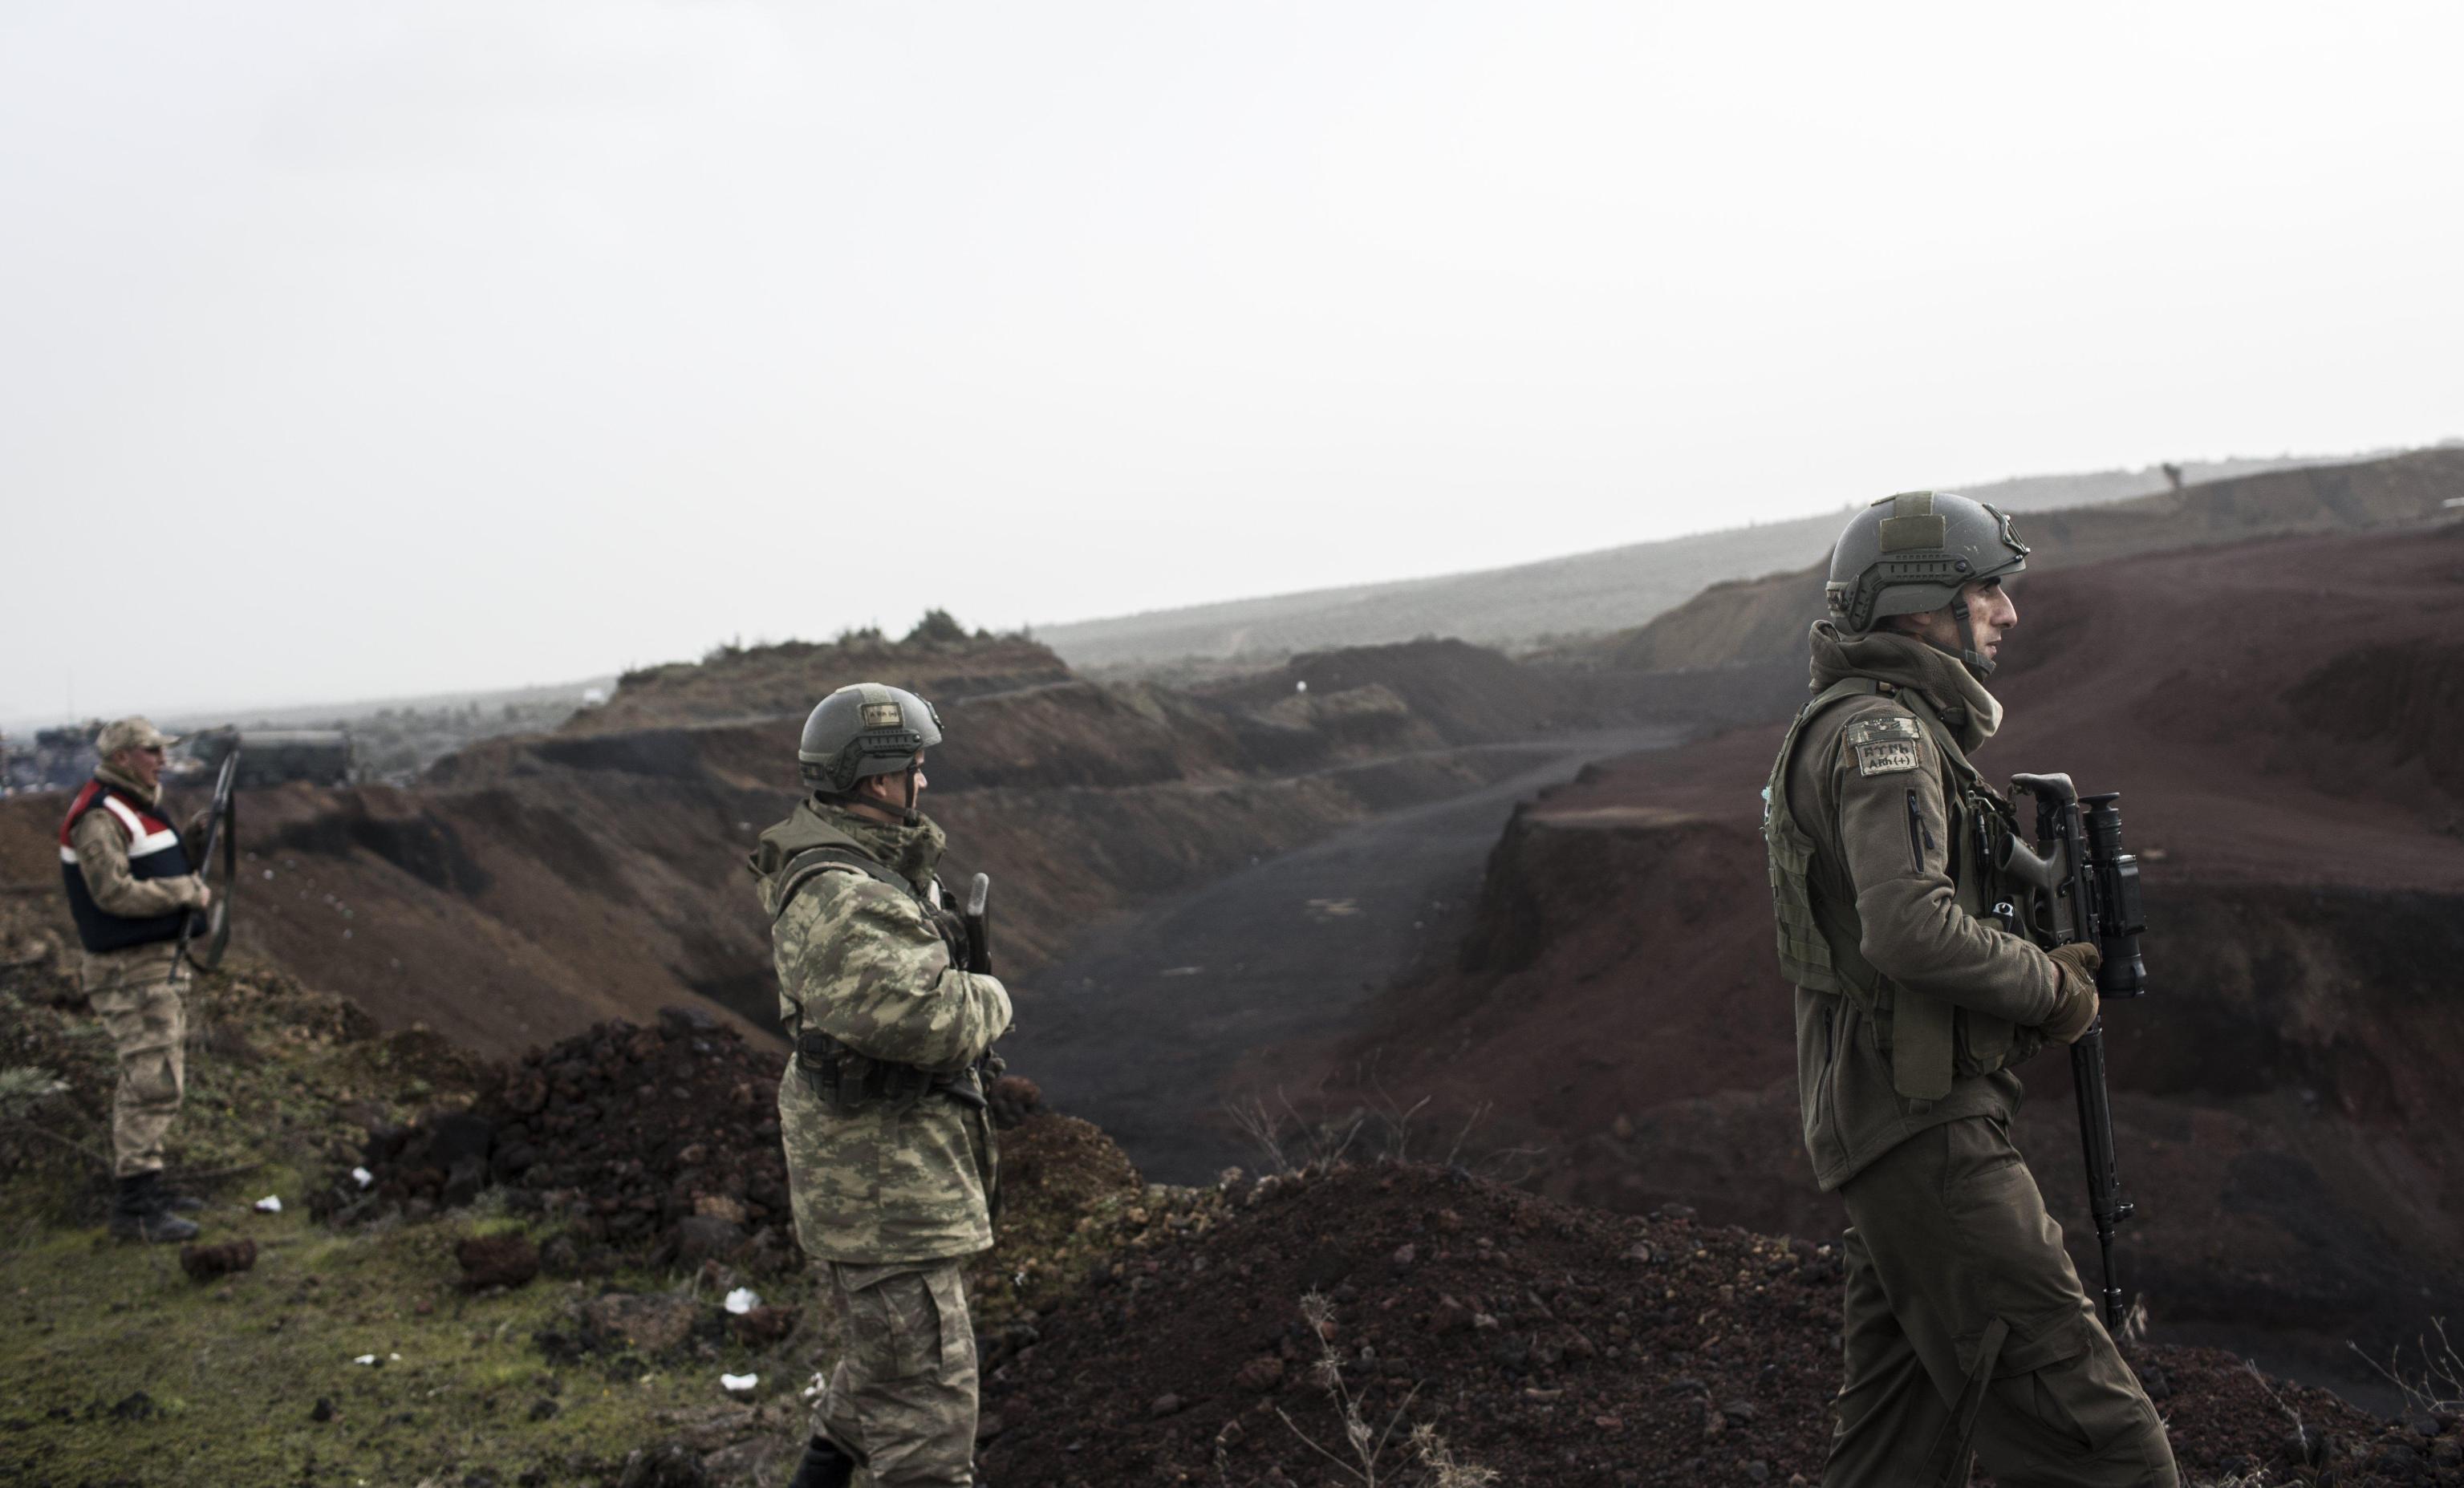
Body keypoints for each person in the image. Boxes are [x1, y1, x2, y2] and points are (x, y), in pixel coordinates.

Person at [1763, 493, 2177, 1486]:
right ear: (1918, 606)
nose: (2006, 611)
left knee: (1898, 1453)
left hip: (1894, 1127)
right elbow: (1906, 928)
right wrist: (2052, 989)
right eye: (1984, 588)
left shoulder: (1883, 726)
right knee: (2110, 1450)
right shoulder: (1882, 739)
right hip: (1922, 1134)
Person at [748, 683, 1012, 1488]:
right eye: (914, 767)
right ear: (873, 779)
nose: (923, 782)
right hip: (883, 1195)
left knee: (878, 1380)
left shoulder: (866, 870)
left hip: (887, 1182)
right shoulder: (844, 892)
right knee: (925, 1434)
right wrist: (992, 998)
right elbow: (924, 1017)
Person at [58, 716, 212, 1243]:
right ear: (122, 756)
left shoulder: (135, 806)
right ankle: (137, 1207)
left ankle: (151, 1188)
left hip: (152, 963)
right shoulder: (99, 816)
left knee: (158, 1072)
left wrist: (190, 845)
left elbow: (149, 870)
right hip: (129, 970)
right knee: (152, 1079)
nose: (161, 759)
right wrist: (184, 893)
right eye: (151, 750)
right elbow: (114, 894)